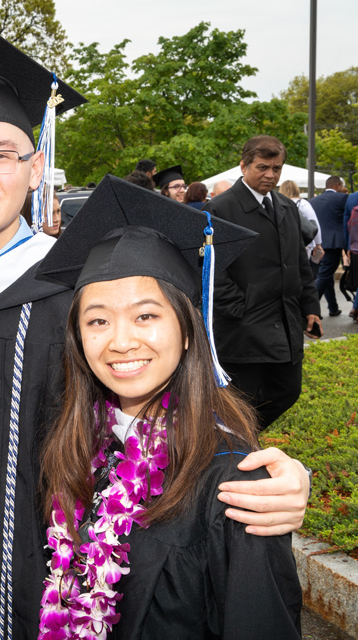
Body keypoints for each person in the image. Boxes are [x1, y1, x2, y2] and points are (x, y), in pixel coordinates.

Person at [0, 30, 311, 639]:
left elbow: (167, 410)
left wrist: (268, 476)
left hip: (46, 601)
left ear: (36, 165)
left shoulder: (87, 295)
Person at [36, 176, 301, 638]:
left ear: (186, 330)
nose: (120, 341)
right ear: (77, 338)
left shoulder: (233, 481)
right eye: (97, 320)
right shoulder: (76, 449)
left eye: (146, 315)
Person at [207, 135, 321, 430]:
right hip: (243, 329)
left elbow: (299, 262)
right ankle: (238, 448)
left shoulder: (286, 206)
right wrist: (238, 307)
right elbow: (211, 270)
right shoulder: (220, 210)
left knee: (287, 391)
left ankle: (243, 441)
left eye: (277, 168)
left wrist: (310, 307)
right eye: (263, 167)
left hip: (285, 322)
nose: (271, 175)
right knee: (241, 401)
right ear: (243, 166)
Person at [310, 175, 350, 317]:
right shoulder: (342, 198)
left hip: (317, 243)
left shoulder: (313, 201)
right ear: (337, 185)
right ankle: (310, 309)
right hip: (333, 244)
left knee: (325, 275)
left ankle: (333, 307)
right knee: (324, 275)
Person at [280, 180, 323, 278]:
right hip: (304, 243)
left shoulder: (279, 203)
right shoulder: (303, 203)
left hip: (286, 243)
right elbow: (314, 223)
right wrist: (318, 244)